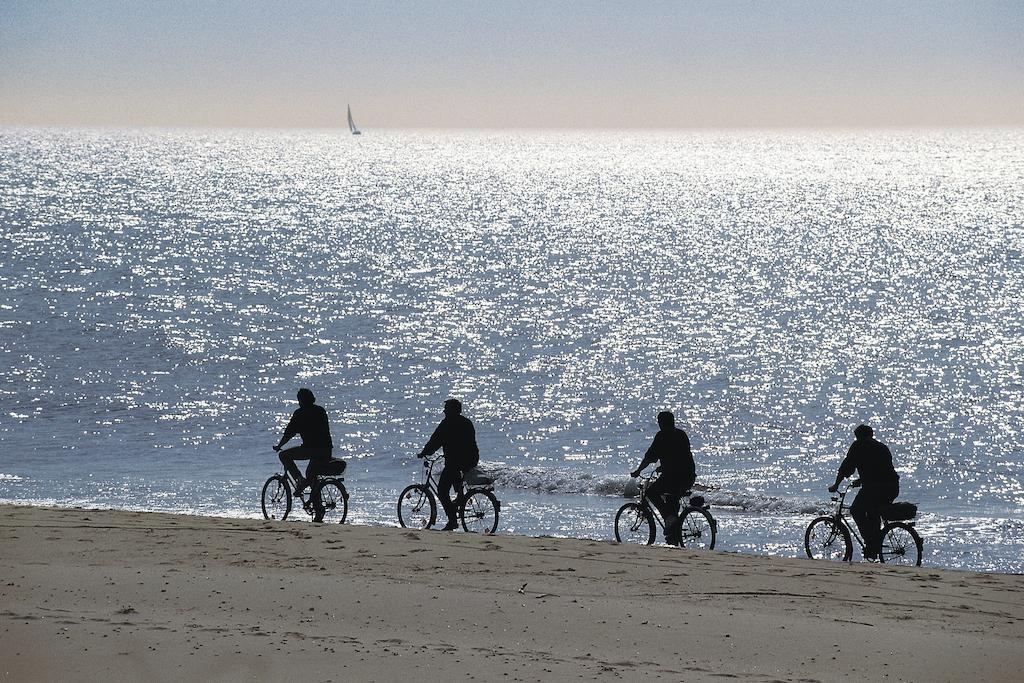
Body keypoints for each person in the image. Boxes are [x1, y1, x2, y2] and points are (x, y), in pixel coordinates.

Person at [829, 424, 900, 560]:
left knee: (856, 510)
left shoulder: (858, 446)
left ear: (858, 436)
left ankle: (872, 544)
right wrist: (861, 480)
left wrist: (836, 484)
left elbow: (846, 467)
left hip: (875, 488)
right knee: (874, 512)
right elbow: (880, 470)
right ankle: (874, 546)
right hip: (892, 487)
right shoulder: (881, 447)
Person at [630, 411, 696, 545]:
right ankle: (673, 534)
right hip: (689, 476)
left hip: (673, 477)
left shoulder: (662, 435)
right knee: (672, 499)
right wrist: (663, 466)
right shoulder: (681, 434)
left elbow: (649, 457)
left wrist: (638, 470)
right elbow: (678, 455)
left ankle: (670, 519)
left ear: (661, 423)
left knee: (651, 492)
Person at [273, 388, 336, 522]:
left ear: (300, 401)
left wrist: (279, 446)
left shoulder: (300, 413)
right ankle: (318, 512)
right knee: (312, 475)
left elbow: (289, 433)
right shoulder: (320, 410)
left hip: (311, 449)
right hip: (326, 450)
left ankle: (299, 480)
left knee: (284, 455)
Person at [417, 399, 480, 531]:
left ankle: (452, 521)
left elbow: (435, 441)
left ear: (452, 410)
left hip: (456, 461)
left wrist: (424, 452)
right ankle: (460, 500)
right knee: (456, 482)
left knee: (442, 490)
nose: (444, 411)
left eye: (446, 408)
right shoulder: (467, 422)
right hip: (471, 459)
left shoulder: (447, 423)